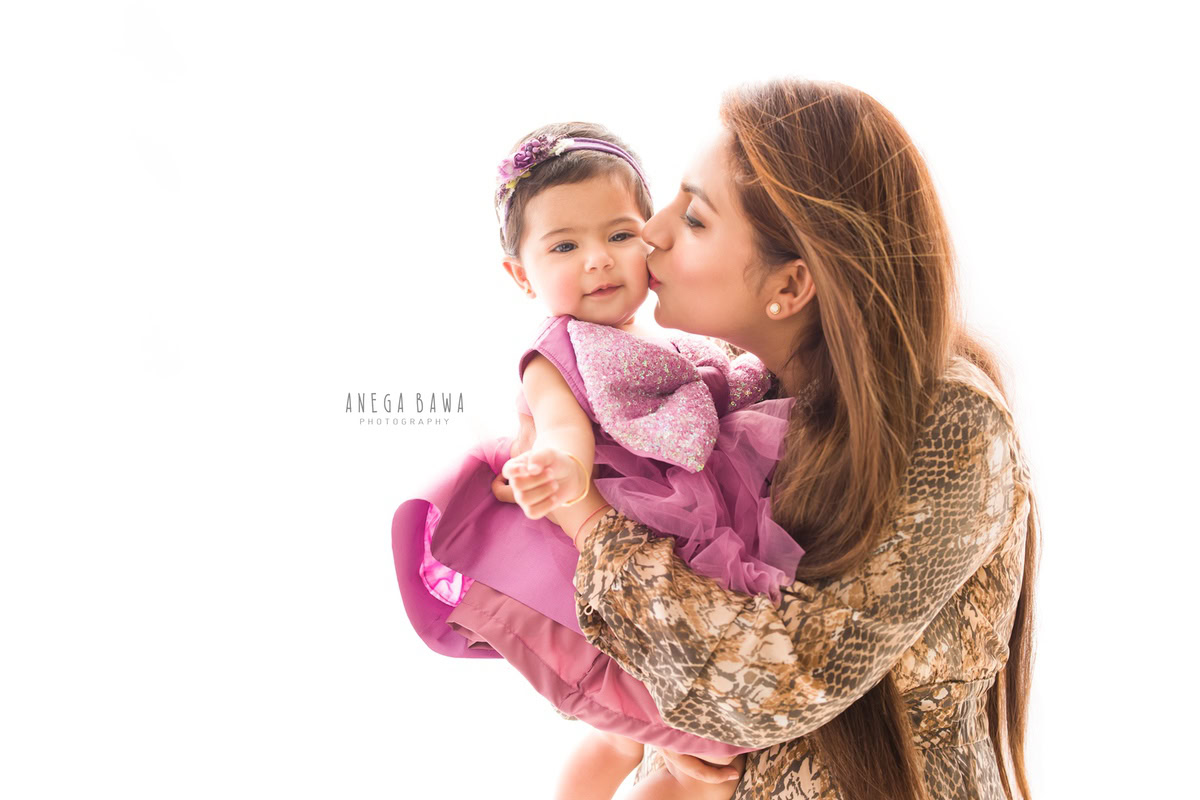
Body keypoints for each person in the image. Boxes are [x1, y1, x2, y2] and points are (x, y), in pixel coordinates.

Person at [521, 80, 1039, 800]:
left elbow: (771, 683)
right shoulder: (738, 398)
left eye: (694, 219)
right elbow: (696, 663)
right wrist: (670, 733)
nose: (651, 232)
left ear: (791, 287)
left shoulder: (949, 423)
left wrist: (585, 521)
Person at [391, 121, 806, 800]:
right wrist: (561, 470)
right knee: (682, 739)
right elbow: (560, 429)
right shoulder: (556, 353)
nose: (599, 261)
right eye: (565, 245)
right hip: (627, 543)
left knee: (644, 735)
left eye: (619, 235)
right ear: (520, 274)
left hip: (690, 529)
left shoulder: (667, 335)